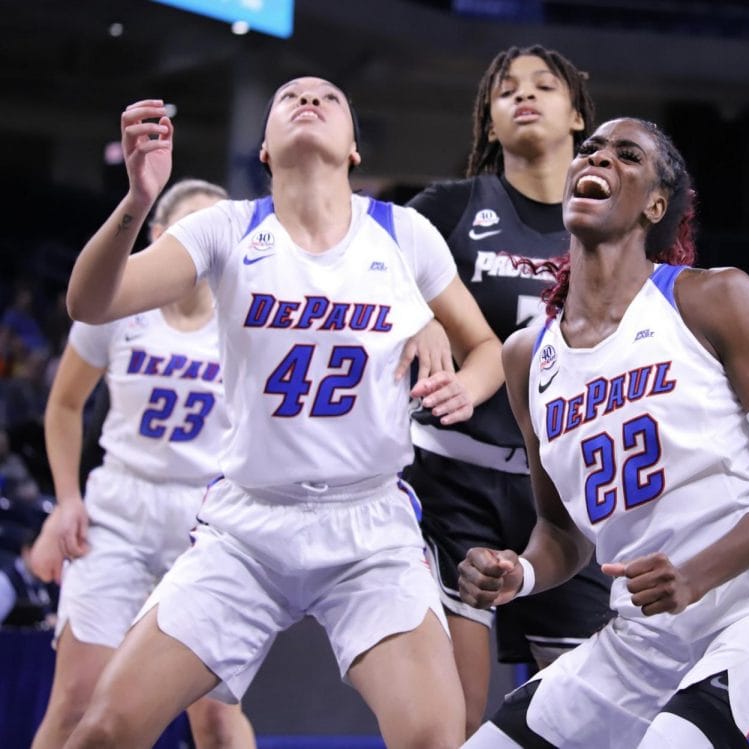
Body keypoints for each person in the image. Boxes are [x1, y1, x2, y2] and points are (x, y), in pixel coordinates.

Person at [61, 78, 503, 749]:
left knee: (434, 738)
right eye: (288, 97)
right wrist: (137, 200)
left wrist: (468, 388)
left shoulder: (403, 234)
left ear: (355, 148)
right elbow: (92, 302)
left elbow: (487, 349)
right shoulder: (226, 227)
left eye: (329, 98)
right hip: (248, 527)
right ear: (264, 148)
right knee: (104, 729)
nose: (308, 100)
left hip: (369, 525)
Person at [458, 116, 749, 748]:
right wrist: (520, 573)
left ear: (656, 204)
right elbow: (562, 533)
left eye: (626, 154)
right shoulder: (526, 357)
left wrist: (694, 574)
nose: (599, 157)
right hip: (642, 635)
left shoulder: (710, 298)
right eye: (590, 149)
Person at [401, 44, 613, 735]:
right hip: (450, 481)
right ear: (489, 123)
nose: (524, 96)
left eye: (545, 86)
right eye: (506, 91)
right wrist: (421, 322)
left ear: (578, 114)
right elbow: (375, 289)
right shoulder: (447, 208)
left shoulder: (616, 229)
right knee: (453, 720)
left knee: (576, 717)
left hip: (566, 491)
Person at [28, 179, 256, 749]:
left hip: (209, 522)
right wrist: (66, 501)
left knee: (216, 719)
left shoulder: (252, 318)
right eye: (188, 231)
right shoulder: (115, 304)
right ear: (159, 237)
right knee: (77, 704)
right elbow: (63, 404)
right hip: (119, 510)